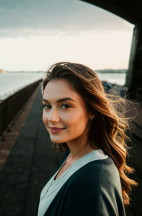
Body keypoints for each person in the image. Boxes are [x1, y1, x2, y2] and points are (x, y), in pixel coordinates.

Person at [36, 62, 138, 216]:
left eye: (65, 105)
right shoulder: (73, 155)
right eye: (47, 106)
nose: (52, 118)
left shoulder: (91, 187)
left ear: (92, 110)